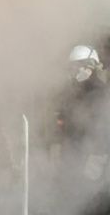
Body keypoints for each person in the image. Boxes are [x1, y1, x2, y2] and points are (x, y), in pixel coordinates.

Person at [55, 45, 110, 215]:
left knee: (93, 200)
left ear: (89, 67)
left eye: (76, 67)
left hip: (94, 157)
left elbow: (103, 128)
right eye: (71, 67)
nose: (73, 71)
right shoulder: (74, 91)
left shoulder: (100, 92)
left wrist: (97, 159)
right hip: (75, 154)